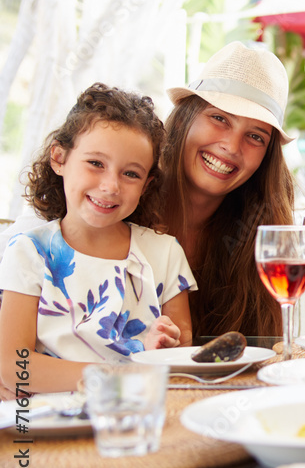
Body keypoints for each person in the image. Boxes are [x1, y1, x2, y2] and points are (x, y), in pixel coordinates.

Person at [0, 83, 194, 395]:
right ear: (59, 158)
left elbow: (181, 353)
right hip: (49, 423)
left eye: (130, 174)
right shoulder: (29, 252)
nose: (110, 186)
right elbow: (14, 367)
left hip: (138, 416)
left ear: (147, 185)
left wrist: (166, 342)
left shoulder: (165, 253)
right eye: (96, 163)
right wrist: (123, 374)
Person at [161, 41, 296, 338]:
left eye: (255, 136)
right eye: (219, 118)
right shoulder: (121, 205)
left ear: (266, 158)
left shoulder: (259, 239)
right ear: (185, 117)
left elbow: (268, 351)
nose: (231, 147)